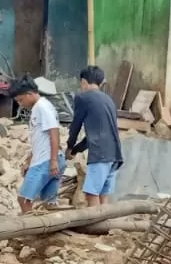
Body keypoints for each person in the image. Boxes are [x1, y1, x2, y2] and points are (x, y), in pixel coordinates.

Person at [65, 65, 123, 206]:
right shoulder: (109, 100)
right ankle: (105, 227)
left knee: (92, 193)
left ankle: (95, 227)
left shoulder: (83, 98)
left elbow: (75, 126)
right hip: (115, 153)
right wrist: (77, 149)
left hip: (100, 153)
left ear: (83, 82)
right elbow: (97, 133)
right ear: (101, 82)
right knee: (103, 194)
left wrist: (69, 147)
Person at [9, 77, 65, 212]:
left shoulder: (42, 107)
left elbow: (54, 132)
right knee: (49, 202)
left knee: (23, 199)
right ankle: (52, 230)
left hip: (45, 162)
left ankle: (30, 232)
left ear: (30, 94)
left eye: (21, 100)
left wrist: (52, 161)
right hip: (48, 160)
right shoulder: (39, 107)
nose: (21, 104)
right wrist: (29, 161)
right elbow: (39, 139)